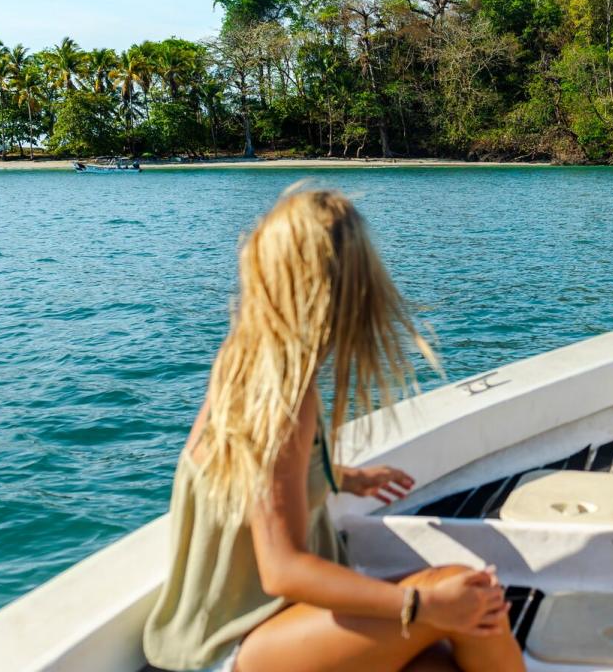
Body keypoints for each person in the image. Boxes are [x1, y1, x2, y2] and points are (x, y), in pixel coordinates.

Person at [143, 188, 524, 672]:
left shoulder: (249, 362)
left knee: (439, 665)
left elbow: (258, 482)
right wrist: (419, 606)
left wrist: (341, 477)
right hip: (230, 646)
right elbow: (282, 569)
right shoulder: (277, 395)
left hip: (262, 629)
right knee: (463, 589)